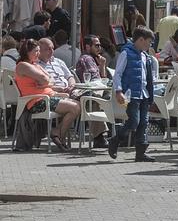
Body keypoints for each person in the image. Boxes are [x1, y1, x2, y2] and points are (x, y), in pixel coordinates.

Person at [38, 38, 109, 148]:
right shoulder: (37, 65)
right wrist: (58, 89)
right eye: (48, 49)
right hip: (55, 94)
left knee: (91, 100)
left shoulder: (58, 61)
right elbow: (41, 84)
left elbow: (70, 76)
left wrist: (71, 84)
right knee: (91, 100)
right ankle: (99, 136)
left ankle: (99, 137)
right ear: (39, 50)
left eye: (52, 48)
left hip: (71, 91)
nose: (52, 51)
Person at [14, 39, 81, 152]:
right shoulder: (22, 65)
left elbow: (50, 81)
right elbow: (45, 79)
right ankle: (59, 136)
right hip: (37, 101)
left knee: (78, 105)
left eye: (39, 51)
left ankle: (57, 132)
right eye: (36, 51)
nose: (38, 54)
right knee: (74, 107)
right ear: (27, 51)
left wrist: (44, 83)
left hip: (49, 96)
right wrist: (44, 82)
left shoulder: (34, 65)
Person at [108, 27, 158, 162]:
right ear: (141, 40)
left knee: (143, 123)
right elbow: (117, 74)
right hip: (131, 94)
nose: (149, 45)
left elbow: (147, 77)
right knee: (133, 121)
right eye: (148, 42)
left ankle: (140, 153)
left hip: (144, 94)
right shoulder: (126, 53)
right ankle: (115, 140)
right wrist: (119, 91)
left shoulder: (145, 56)